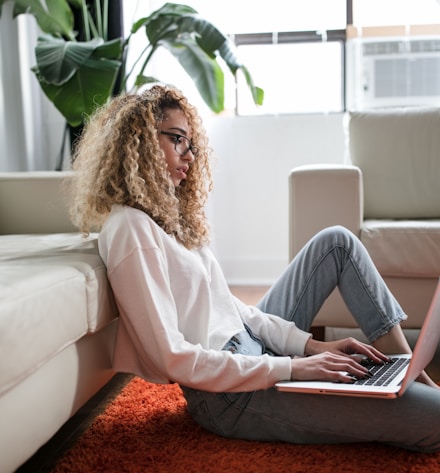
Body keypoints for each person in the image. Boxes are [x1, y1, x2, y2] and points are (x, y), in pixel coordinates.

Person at [68, 85, 440, 453]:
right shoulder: (130, 228)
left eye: (191, 144)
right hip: (229, 397)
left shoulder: (169, 219)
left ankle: (406, 370)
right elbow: (172, 357)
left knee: (336, 242)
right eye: (177, 139)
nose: (190, 156)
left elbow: (233, 310)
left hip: (254, 352)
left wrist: (309, 346)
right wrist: (292, 369)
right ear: (140, 141)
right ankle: (410, 388)